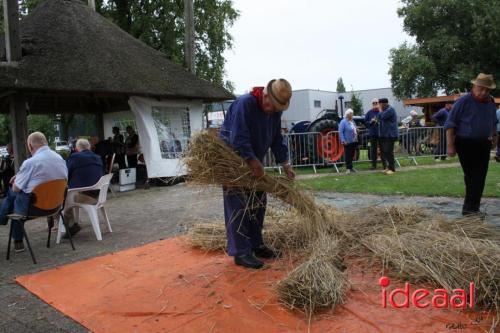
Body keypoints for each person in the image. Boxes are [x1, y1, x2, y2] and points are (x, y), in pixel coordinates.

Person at [219, 78, 295, 269]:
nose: (272, 109)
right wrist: (253, 161)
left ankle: (256, 244)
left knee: (258, 203)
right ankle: (241, 252)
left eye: (277, 107)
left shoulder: (274, 113)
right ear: (266, 94)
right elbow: (239, 137)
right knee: (238, 205)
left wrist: (285, 163)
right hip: (233, 162)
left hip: (254, 163)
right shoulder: (245, 104)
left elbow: (277, 140)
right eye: (272, 104)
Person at [0, 132, 67, 252]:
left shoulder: (30, 163)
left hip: (33, 208)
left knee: (13, 193)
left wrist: (18, 179)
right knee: (16, 197)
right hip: (56, 206)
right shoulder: (60, 159)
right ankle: (4, 219)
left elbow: (16, 188)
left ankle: (7, 225)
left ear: (30, 146)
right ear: (45, 143)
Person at [445, 73, 498, 217]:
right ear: (474, 86)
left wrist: (494, 137)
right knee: (473, 176)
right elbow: (450, 124)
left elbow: (493, 122)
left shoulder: (491, 102)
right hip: (465, 143)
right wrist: (450, 146)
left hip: (483, 143)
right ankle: (469, 209)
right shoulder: (464, 101)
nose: (484, 92)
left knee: (480, 177)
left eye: (487, 90)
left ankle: (472, 209)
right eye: (481, 89)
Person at [62, 138, 104, 238]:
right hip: (99, 195)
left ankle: (71, 224)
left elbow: (65, 174)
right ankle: (72, 222)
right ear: (89, 147)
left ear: (77, 148)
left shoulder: (75, 157)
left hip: (81, 196)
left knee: (61, 197)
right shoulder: (98, 157)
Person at [377, 98, 398, 175]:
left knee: (389, 152)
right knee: (386, 152)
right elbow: (378, 117)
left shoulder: (390, 110)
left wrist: (380, 110)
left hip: (390, 135)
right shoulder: (385, 110)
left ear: (384, 104)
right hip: (385, 135)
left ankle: (392, 169)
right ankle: (388, 167)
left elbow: (381, 116)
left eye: (380, 104)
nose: (379, 106)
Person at [364, 98, 383, 170]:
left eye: (376, 103)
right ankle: (373, 165)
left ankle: (385, 164)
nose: (375, 104)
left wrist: (379, 122)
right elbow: (365, 123)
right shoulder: (369, 113)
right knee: (373, 150)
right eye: (373, 103)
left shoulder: (381, 112)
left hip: (381, 133)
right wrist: (371, 122)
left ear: (378, 103)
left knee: (383, 149)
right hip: (373, 134)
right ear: (372, 104)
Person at [339, 109, 358, 173]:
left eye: (352, 113)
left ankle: (351, 167)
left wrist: (357, 130)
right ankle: (348, 168)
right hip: (347, 141)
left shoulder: (353, 121)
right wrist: (343, 140)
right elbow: (341, 132)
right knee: (348, 155)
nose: (352, 115)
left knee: (352, 154)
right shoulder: (343, 122)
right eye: (351, 113)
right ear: (347, 114)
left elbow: (354, 128)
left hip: (354, 140)